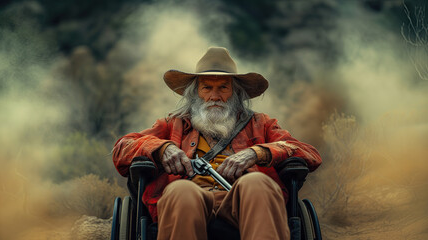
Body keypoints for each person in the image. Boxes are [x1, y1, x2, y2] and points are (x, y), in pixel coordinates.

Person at [112, 47, 322, 240]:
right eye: (206, 88)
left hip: (241, 202)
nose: (215, 96)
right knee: (181, 191)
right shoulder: (173, 124)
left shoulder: (261, 124)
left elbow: (308, 153)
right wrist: (161, 148)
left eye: (223, 87)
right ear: (196, 92)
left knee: (257, 183)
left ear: (236, 92)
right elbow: (124, 146)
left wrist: (257, 153)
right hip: (189, 199)